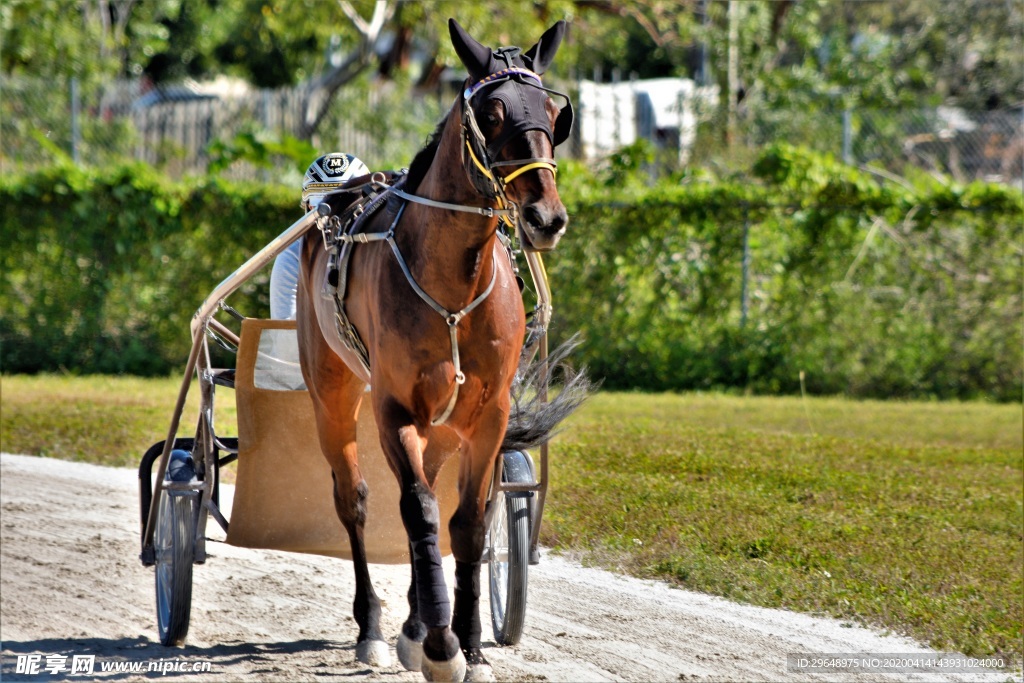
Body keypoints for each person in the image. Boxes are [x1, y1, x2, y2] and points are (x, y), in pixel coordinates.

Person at [269, 152, 371, 319]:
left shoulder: (381, 243)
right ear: (309, 208)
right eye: (327, 209)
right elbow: (285, 331)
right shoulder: (294, 253)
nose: (336, 221)